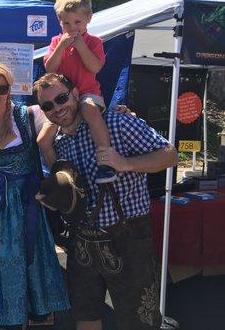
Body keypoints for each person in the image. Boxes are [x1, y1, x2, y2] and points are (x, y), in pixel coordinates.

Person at [34, 73, 178, 330]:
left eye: (61, 98)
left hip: (128, 237)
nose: (57, 108)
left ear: (76, 93)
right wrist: (55, 198)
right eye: (48, 105)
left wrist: (126, 163)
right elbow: (73, 193)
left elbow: (170, 155)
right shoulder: (59, 142)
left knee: (138, 321)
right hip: (82, 242)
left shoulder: (116, 122)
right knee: (86, 316)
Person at [0, 61, 69, 328]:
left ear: (10, 89)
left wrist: (103, 109)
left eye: (1, 88)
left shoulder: (30, 115)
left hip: (25, 206)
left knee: (31, 270)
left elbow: (67, 116)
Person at [43, 0, 116, 183]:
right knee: (43, 139)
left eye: (77, 22)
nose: (71, 28)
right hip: (63, 98)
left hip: (87, 94)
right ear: (59, 21)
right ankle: (59, 176)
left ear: (88, 19)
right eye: (66, 23)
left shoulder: (94, 42)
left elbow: (95, 67)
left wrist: (80, 45)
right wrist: (61, 47)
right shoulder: (56, 41)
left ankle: (106, 162)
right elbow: (50, 69)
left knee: (89, 110)